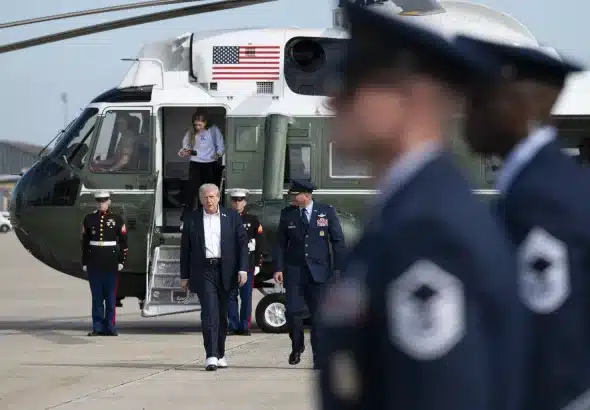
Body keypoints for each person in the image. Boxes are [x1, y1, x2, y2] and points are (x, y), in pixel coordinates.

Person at [316, 3, 526, 410]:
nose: (332, 99)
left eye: (349, 82)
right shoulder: (407, 212)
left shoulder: (429, 232)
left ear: (411, 98)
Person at [455, 34, 589, 410]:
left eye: (478, 101)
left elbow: (549, 337)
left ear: (518, 106)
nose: (467, 114)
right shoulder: (540, 182)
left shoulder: (541, 197)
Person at [273, 179, 346, 368]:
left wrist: (340, 269)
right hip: (294, 271)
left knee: (318, 316)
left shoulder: (326, 211)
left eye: (295, 194)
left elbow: (337, 241)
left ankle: (319, 357)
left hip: (319, 272)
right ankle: (297, 345)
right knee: (292, 312)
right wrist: (278, 268)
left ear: (305, 195)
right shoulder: (287, 214)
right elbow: (280, 244)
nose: (292, 198)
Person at [179, 183, 249, 371]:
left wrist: (243, 269)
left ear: (218, 197)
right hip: (203, 271)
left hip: (226, 270)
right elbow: (185, 249)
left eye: (212, 197)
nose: (209, 200)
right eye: (205, 197)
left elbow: (242, 245)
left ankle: (220, 353)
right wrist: (184, 275)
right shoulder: (192, 219)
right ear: (201, 199)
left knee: (222, 315)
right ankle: (210, 355)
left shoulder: (232, 217)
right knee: (209, 312)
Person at [81, 191, 128, 337]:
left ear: (109, 202)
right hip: (94, 262)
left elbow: (123, 241)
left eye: (104, 201)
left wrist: (121, 260)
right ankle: (98, 327)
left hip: (110, 262)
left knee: (110, 297)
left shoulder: (117, 219)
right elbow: (84, 242)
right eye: (99, 201)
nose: (101, 203)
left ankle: (110, 327)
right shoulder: (89, 219)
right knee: (97, 298)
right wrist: (85, 261)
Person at [227, 188, 266, 336]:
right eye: (235, 200)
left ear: (245, 202)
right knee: (230, 297)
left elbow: (260, 243)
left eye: (240, 200)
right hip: (230, 264)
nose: (237, 203)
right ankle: (233, 325)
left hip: (248, 263)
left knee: (246, 297)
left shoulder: (252, 220)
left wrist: (258, 264)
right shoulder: (225, 217)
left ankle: (244, 326)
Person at [178, 112, 225, 221]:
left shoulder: (213, 130)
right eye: (196, 125)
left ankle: (209, 215)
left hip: (210, 164)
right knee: (193, 191)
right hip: (195, 163)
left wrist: (218, 154)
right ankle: (187, 218)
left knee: (209, 191)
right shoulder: (191, 131)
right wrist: (183, 152)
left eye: (200, 125)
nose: (197, 127)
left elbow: (221, 145)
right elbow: (185, 146)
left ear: (205, 122)